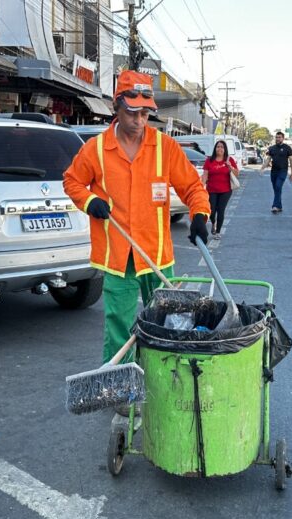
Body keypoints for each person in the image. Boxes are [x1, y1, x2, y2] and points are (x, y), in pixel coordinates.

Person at [63, 70, 211, 366]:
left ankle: (163, 380)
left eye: (145, 112)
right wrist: (91, 201)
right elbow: (72, 182)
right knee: (119, 324)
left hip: (156, 254)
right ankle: (120, 386)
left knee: (167, 323)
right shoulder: (96, 150)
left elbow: (193, 187)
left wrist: (199, 215)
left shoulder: (165, 147)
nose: (140, 120)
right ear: (117, 107)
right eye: (133, 112)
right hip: (117, 256)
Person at [202, 140, 239, 240]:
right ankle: (213, 223)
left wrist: (229, 166)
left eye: (222, 147)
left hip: (226, 190)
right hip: (212, 190)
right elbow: (205, 175)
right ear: (215, 148)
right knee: (212, 211)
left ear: (225, 149)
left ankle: (218, 232)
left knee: (221, 210)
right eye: (218, 147)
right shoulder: (209, 160)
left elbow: (236, 174)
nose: (220, 149)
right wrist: (201, 187)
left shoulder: (229, 159)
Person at [262, 131, 292, 213]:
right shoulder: (272, 148)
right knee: (276, 189)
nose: (278, 139)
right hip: (273, 172)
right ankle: (279, 206)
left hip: (283, 171)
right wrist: (262, 168)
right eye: (276, 137)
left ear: (283, 138)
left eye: (279, 137)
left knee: (278, 186)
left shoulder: (287, 148)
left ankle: (275, 206)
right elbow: (268, 159)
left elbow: (291, 161)